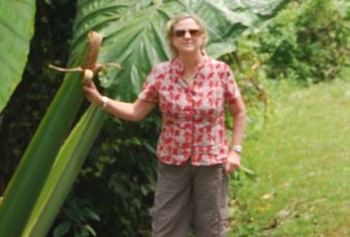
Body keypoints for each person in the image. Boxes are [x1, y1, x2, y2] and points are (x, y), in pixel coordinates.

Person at [83, 12, 246, 236]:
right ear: (172, 39)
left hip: (211, 162)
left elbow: (238, 112)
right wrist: (101, 100)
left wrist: (235, 151)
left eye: (193, 31)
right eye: (180, 32)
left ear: (203, 37)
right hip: (172, 161)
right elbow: (135, 111)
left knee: (211, 226)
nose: (187, 36)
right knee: (166, 227)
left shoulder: (220, 71)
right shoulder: (161, 74)